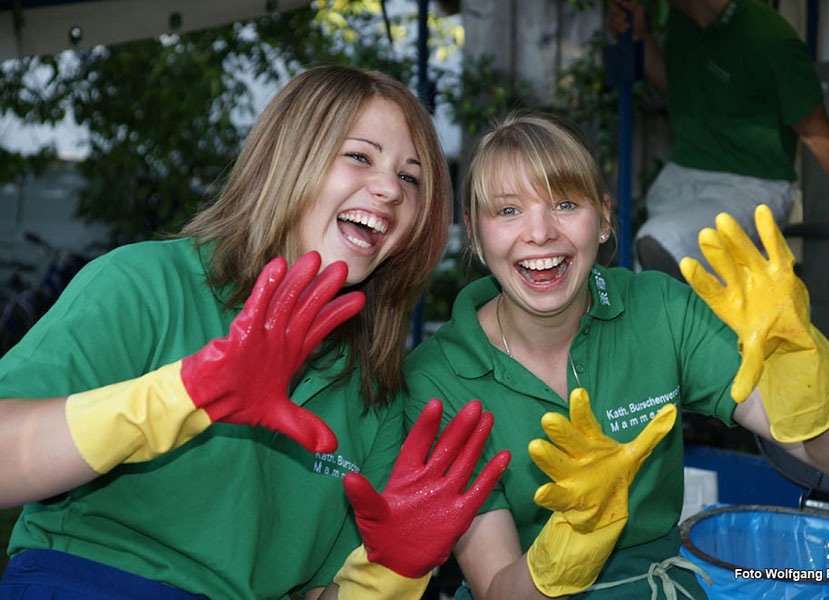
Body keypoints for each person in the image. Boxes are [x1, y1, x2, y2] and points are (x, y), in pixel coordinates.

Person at [0, 65, 509, 600]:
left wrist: (390, 576)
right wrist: (182, 395)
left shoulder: (374, 392)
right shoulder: (146, 282)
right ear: (288, 159)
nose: (389, 190)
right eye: (360, 156)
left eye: (411, 177)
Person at [402, 112, 829, 598]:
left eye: (564, 203)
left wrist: (802, 364)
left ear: (604, 217)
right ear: (474, 234)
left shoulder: (660, 309)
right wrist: (579, 536)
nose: (539, 232)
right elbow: (498, 588)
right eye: (507, 211)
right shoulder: (435, 381)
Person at [607, 0, 829, 279]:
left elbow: (818, 133)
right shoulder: (683, 20)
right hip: (682, 179)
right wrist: (641, 35)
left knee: (660, 241)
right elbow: (676, 88)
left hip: (751, 187)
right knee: (655, 271)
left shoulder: (768, 37)